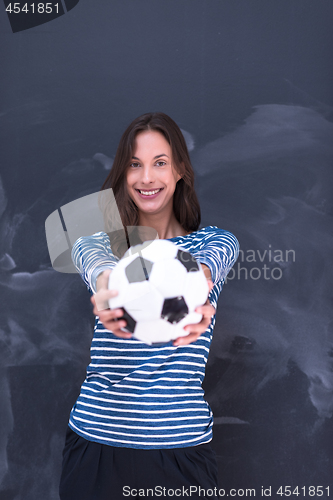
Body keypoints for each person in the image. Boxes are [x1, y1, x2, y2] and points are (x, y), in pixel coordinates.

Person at [59, 112, 239, 499]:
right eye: (134, 165)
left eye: (160, 163)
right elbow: (95, 263)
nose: (146, 178)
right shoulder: (101, 244)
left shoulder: (211, 243)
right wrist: (110, 286)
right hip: (97, 446)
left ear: (179, 171)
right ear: (123, 175)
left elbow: (218, 259)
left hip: (181, 453)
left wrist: (197, 287)